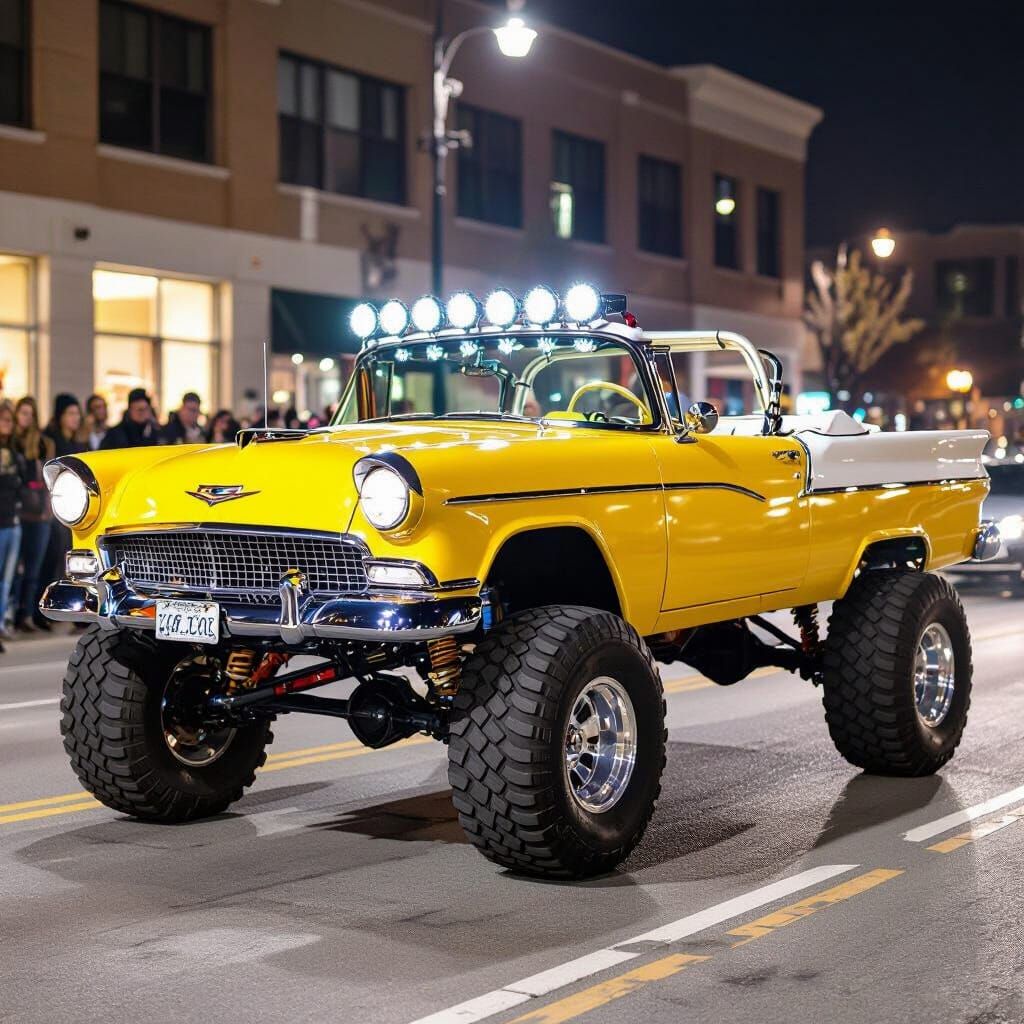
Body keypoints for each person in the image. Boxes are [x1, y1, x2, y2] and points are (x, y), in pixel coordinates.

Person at [42, 395, 89, 609]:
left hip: (75, 509)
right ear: (60, 415)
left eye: (77, 413)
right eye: (71, 413)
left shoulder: (77, 441)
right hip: (55, 507)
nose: (75, 418)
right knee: (51, 559)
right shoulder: (50, 439)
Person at [13, 396, 54, 632]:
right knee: (15, 571)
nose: (26, 418)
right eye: (23, 413)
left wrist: (48, 509)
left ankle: (28, 614)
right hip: (18, 513)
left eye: (30, 413)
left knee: (33, 569)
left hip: (39, 512)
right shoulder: (11, 443)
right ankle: (14, 614)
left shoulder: (42, 443)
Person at [0, 402, 26, 647]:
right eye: (3, 420)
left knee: (8, 577)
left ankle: (2, 622)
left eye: (9, 420)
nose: (8, 424)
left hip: (13, 520)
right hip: (1, 520)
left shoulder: (14, 450)